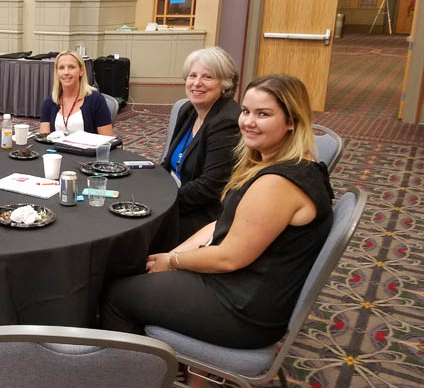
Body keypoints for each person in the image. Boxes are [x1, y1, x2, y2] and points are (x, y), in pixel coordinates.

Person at [102, 74, 333, 356]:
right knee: (142, 266)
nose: (248, 122)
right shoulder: (297, 162)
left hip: (242, 309)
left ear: (292, 121)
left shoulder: (277, 184)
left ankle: (133, 377)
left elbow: (228, 258)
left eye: (263, 114)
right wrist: (171, 256)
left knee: (116, 295)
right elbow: (222, 223)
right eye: (246, 111)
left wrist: (173, 262)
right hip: (244, 285)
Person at [157, 47, 241, 250]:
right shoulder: (189, 110)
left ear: (225, 84)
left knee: (140, 232)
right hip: (180, 198)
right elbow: (169, 162)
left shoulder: (226, 122)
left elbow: (210, 187)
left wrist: (162, 203)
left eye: (207, 77)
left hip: (204, 214)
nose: (196, 83)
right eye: (192, 76)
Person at [39, 50, 113, 136]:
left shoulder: (96, 100)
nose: (66, 72)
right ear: (57, 72)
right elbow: (44, 139)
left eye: (71, 67)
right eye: (61, 68)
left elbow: (107, 139)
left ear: (81, 71)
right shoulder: (49, 102)